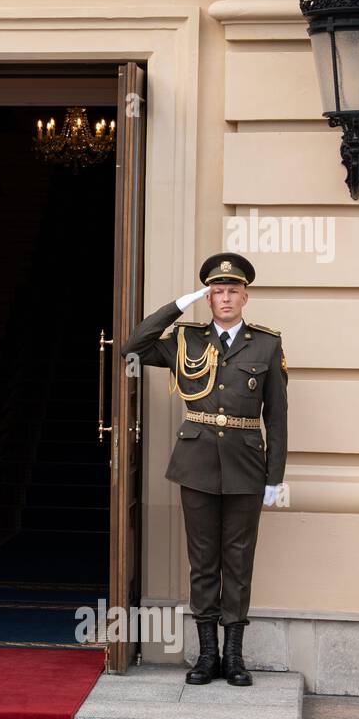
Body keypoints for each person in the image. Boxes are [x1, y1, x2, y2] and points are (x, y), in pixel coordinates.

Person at [121, 253, 287, 686]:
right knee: (202, 562)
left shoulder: (266, 344)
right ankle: (206, 655)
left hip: (246, 467)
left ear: (245, 297)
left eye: (233, 291)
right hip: (195, 466)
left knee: (238, 560)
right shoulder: (186, 340)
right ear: (208, 298)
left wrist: (274, 477)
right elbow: (132, 346)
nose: (225, 298)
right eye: (217, 292)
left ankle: (233, 656)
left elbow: (278, 417)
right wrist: (178, 305)